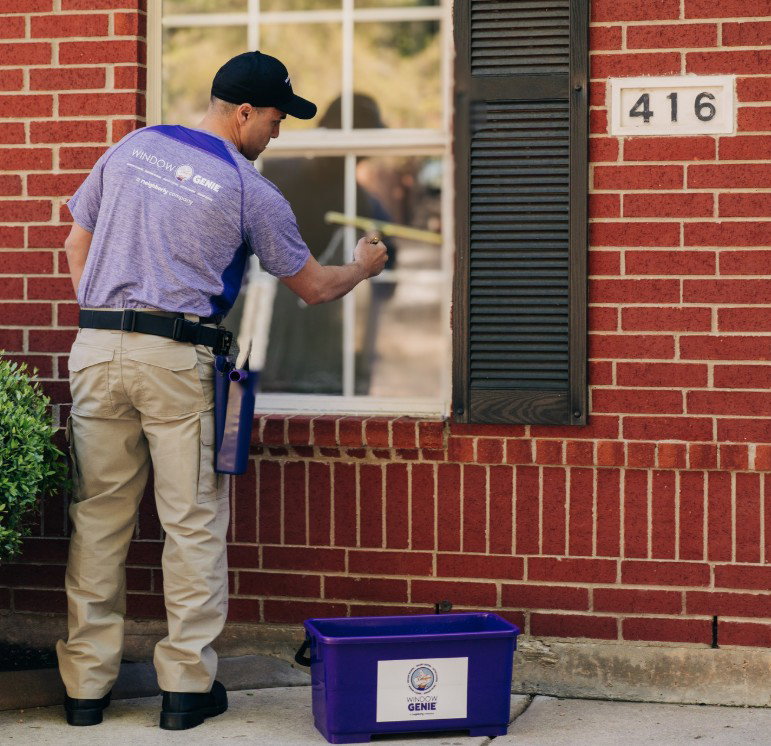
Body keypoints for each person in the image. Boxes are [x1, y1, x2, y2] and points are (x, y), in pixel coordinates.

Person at [56, 50, 386, 731]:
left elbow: (73, 245)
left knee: (97, 521)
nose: (276, 133)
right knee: (192, 524)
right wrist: (361, 266)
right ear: (241, 113)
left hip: (94, 350)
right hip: (176, 360)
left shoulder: (130, 148)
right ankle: (185, 690)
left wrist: (107, 318)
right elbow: (313, 288)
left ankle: (85, 691)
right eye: (273, 118)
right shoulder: (247, 188)